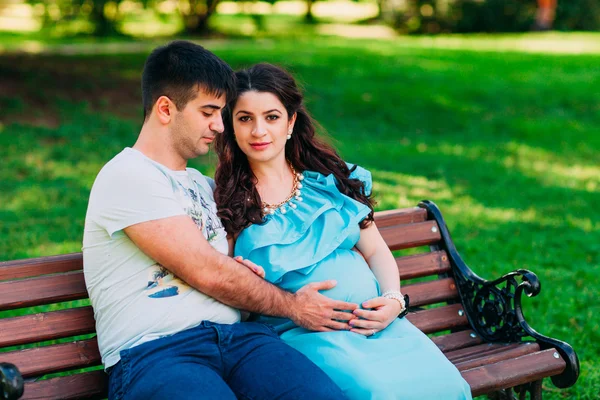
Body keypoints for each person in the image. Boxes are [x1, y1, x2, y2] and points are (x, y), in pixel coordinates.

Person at [82, 41, 356, 400]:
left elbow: (223, 262)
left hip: (240, 342)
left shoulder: (203, 185)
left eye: (222, 113)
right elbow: (207, 271)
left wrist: (241, 268)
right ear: (166, 109)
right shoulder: (127, 175)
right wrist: (293, 307)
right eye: (209, 112)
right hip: (158, 353)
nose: (220, 126)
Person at [214, 63, 473, 399]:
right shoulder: (229, 204)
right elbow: (236, 298)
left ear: (291, 122)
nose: (258, 130)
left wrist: (394, 301)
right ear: (231, 127)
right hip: (304, 336)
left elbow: (376, 250)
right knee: (376, 393)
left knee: (449, 385)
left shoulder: (328, 182)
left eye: (272, 117)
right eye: (245, 118)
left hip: (379, 327)